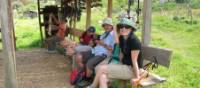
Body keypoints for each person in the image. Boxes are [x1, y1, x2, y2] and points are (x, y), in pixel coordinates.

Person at [87, 18, 143, 88]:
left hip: (131, 70)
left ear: (131, 29)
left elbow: (134, 61)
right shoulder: (123, 38)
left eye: (127, 27)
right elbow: (117, 41)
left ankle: (92, 86)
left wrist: (137, 77)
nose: (123, 28)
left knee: (101, 69)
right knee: (102, 77)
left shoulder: (134, 41)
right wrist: (115, 27)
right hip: (123, 65)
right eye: (121, 27)